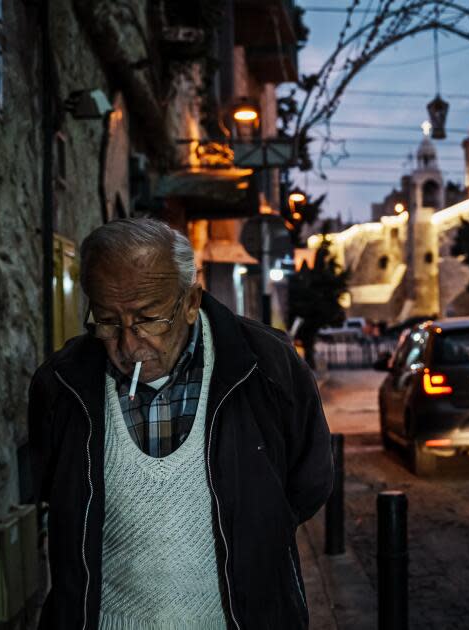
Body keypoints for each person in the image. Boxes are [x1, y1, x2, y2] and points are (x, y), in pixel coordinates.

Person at [28, 218, 333, 629]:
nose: (129, 344)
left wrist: (250, 532)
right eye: (108, 321)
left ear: (190, 301)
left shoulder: (266, 365)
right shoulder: (62, 384)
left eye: (148, 319)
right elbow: (54, 490)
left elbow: (309, 481)